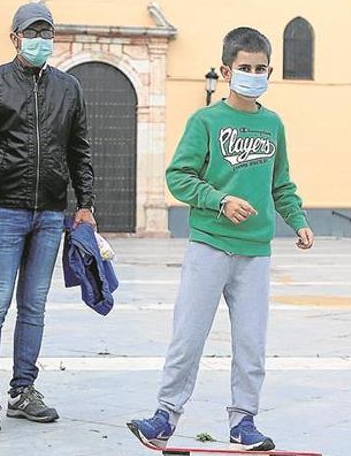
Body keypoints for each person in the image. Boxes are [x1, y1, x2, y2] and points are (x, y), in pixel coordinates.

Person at [127, 27, 315, 452]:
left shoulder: (273, 124)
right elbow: (178, 177)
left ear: (270, 71)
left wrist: (298, 220)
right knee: (188, 336)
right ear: (227, 71)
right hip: (209, 245)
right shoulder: (206, 120)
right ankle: (164, 417)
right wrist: (219, 200)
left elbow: (280, 182)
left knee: (251, 342)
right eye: (245, 68)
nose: (253, 74)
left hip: (254, 253)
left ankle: (243, 422)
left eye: (260, 68)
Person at [0, 2, 96, 433]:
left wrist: (85, 203)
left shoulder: (69, 87)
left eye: (47, 32)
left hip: (51, 214)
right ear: (15, 37)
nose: (41, 40)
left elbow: (80, 149)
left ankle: (23, 390)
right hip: (3, 211)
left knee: (34, 306)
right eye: (32, 32)